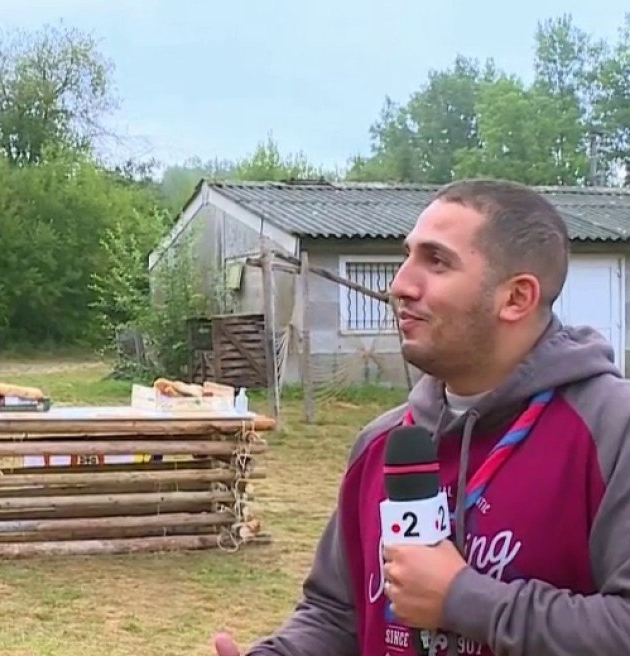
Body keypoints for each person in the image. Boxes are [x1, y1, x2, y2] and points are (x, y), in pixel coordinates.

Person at [212, 178, 630, 656]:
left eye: (436, 261)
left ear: (516, 298)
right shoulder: (383, 443)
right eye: (408, 256)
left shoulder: (611, 432)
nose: (400, 285)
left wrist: (463, 599)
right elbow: (336, 614)